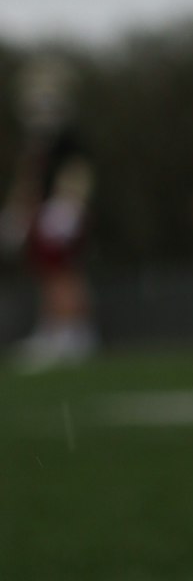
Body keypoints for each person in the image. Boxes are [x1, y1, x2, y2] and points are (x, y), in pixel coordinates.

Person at [1, 55, 97, 368]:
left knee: (64, 272)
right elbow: (29, 177)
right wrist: (17, 210)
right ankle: (54, 328)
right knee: (47, 272)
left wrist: (69, 206)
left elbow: (78, 173)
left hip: (60, 214)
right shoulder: (37, 141)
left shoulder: (69, 138)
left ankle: (74, 331)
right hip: (42, 213)